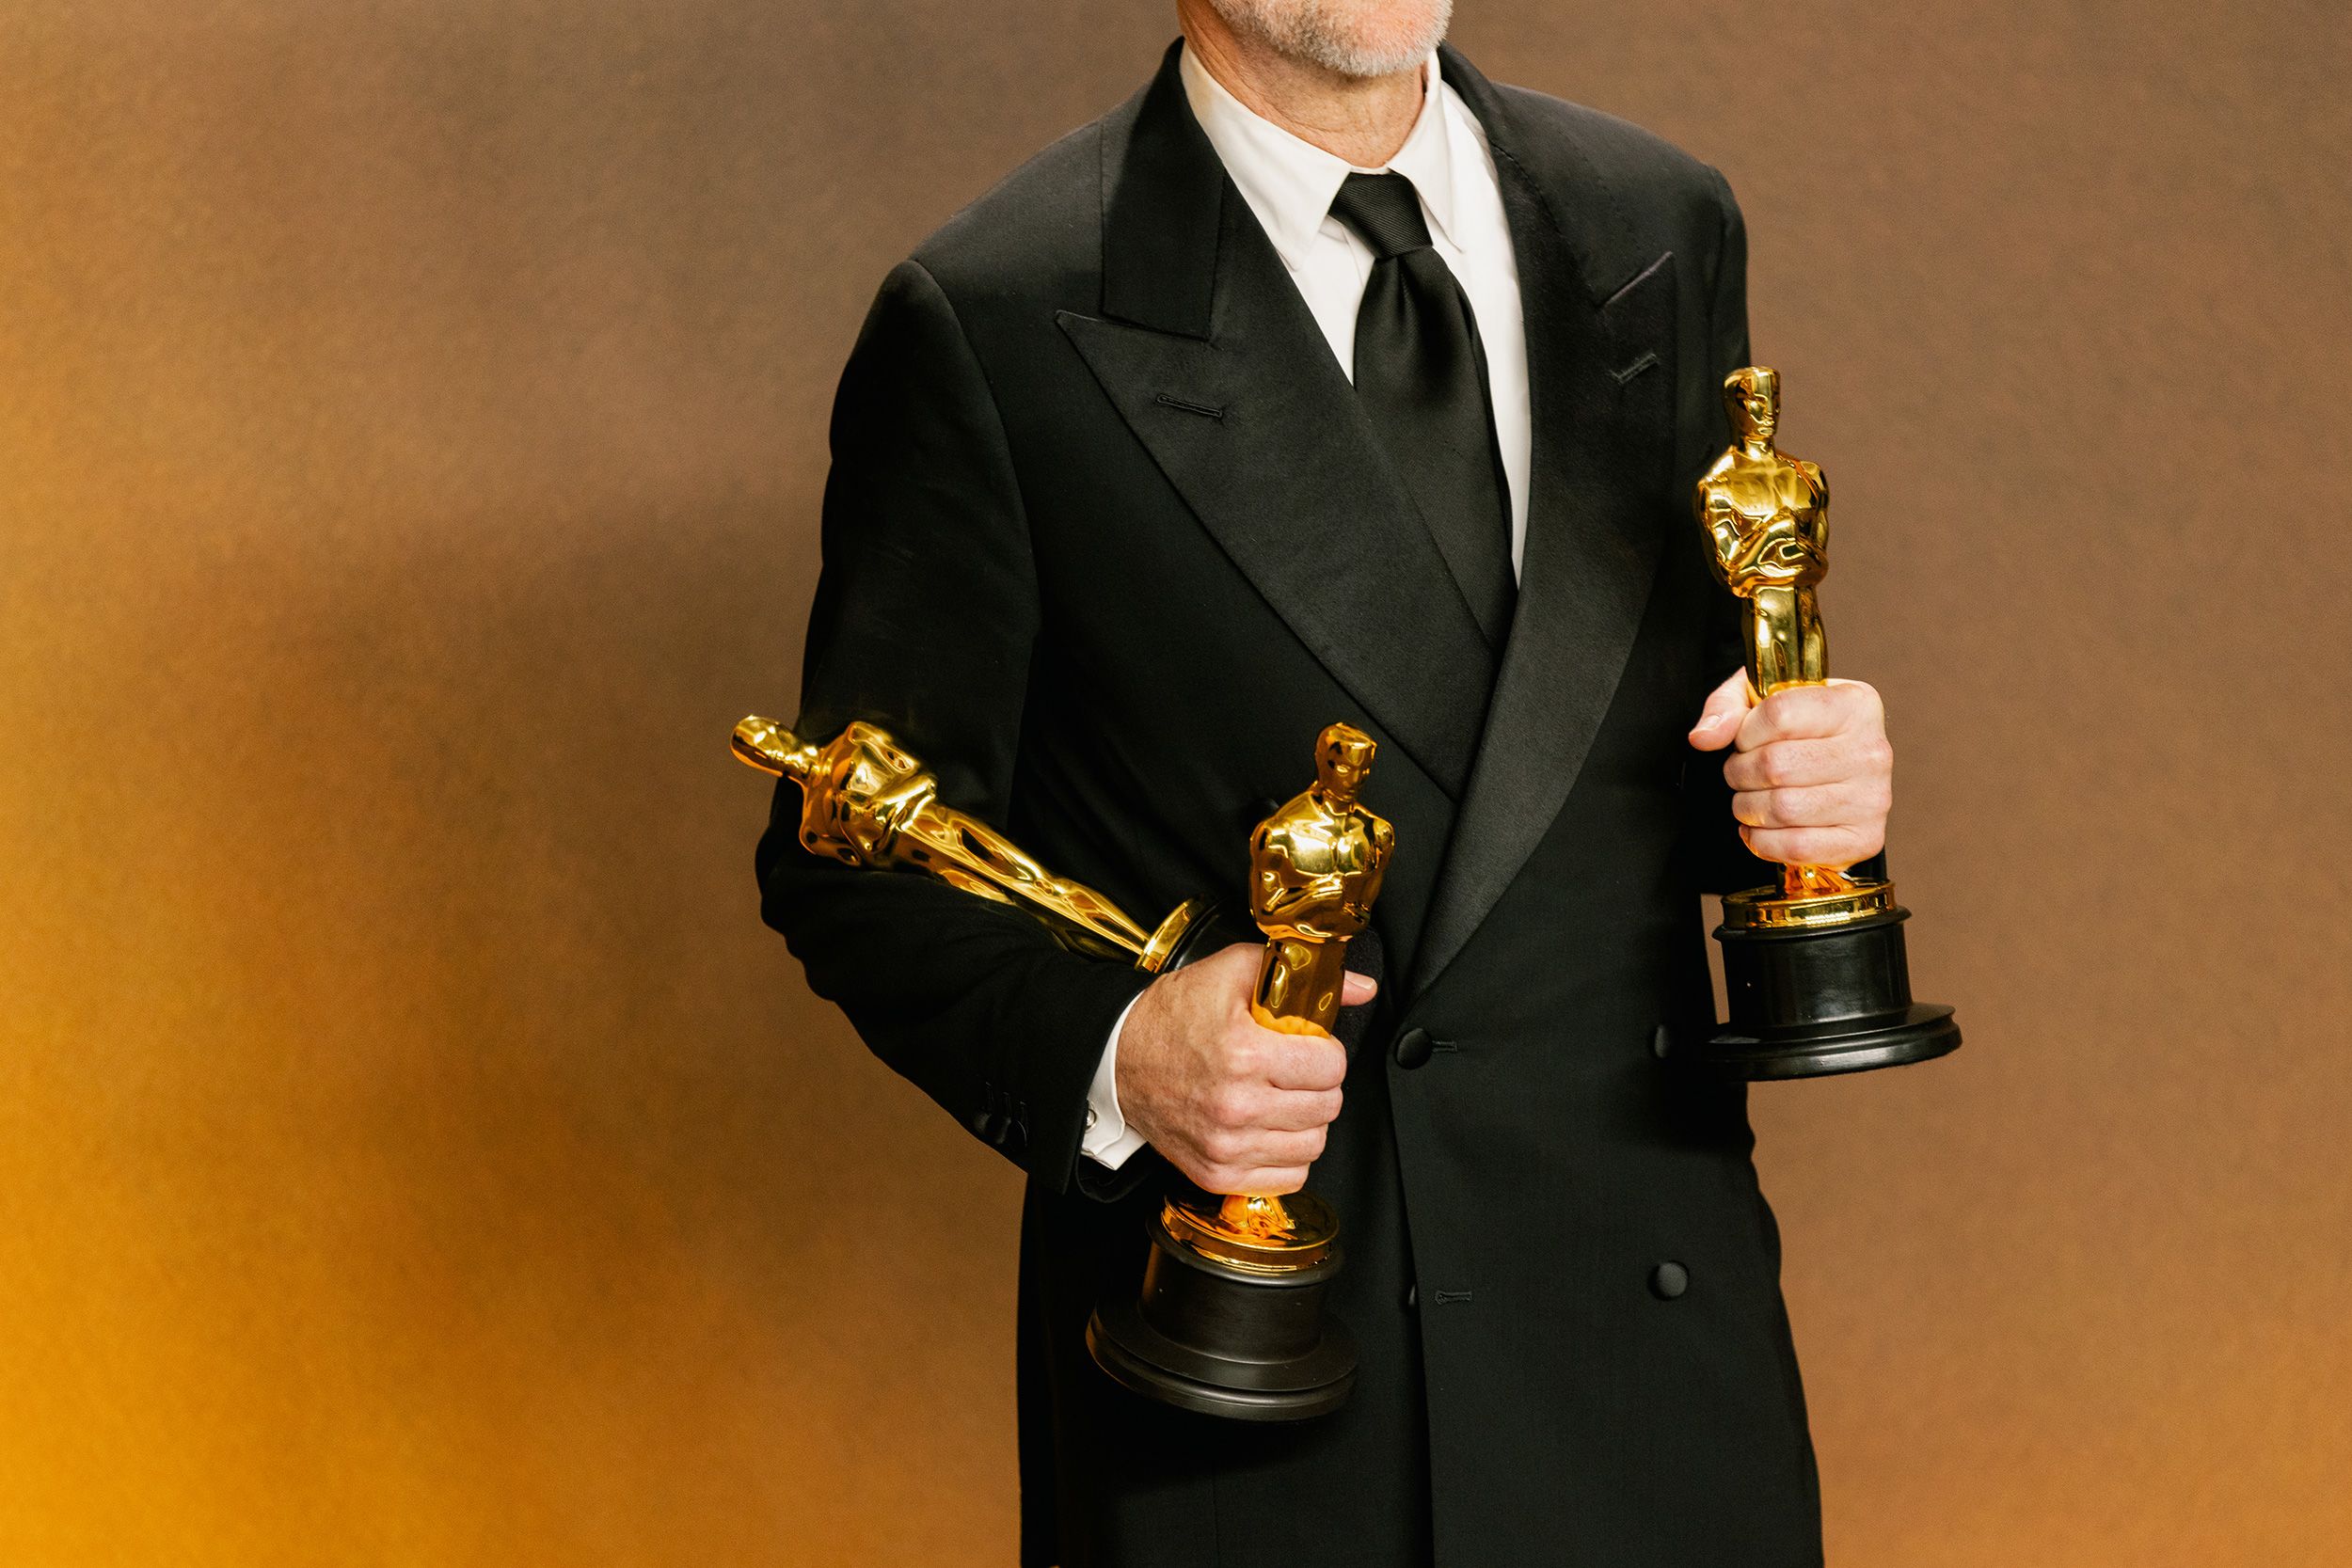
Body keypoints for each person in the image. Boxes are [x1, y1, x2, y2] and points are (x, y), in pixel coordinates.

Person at [756, 2, 1897, 1562]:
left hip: (1650, 1363)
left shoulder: (1656, 219)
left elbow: (1608, 758)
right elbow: (847, 851)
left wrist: (1801, 785)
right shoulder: (994, 316)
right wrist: (1124, 1053)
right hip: (1260, 1402)